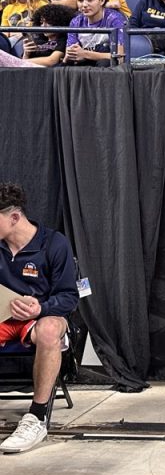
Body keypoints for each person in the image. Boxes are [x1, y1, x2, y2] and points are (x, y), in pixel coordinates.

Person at [0, 183, 79, 454]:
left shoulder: (54, 244)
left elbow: (69, 297)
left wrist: (41, 308)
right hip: (4, 318)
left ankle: (36, 417)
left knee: (49, 330)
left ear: (14, 217)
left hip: (40, 319)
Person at [64, 0, 126, 65]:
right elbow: (70, 55)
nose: (84, 5)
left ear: (101, 0)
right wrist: (70, 55)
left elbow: (120, 57)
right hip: (84, 65)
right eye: (80, 0)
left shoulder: (114, 19)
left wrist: (85, 54)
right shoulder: (76, 22)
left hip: (107, 68)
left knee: (104, 62)